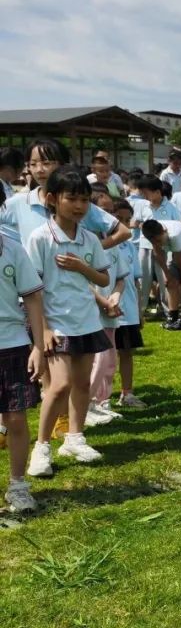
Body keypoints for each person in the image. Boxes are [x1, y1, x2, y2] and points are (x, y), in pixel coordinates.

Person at [25, 168, 113, 477]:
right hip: (56, 324)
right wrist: (45, 327)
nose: (78, 205)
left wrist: (82, 267)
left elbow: (103, 277)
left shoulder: (89, 238)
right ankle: (42, 446)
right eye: (71, 198)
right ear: (52, 199)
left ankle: (75, 438)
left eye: (84, 200)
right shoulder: (40, 238)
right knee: (58, 385)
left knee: (82, 383)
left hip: (86, 321)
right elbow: (32, 288)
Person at [2, 138, 130, 249]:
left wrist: (90, 251)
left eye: (46, 163)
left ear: (63, 165)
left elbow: (123, 232)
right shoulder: (17, 202)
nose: (39, 170)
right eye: (33, 164)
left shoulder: (78, 204)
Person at [0, 217, 46, 511]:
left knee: (16, 418)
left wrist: (39, 346)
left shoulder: (14, 250)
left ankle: (18, 485)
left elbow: (32, 298)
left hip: (12, 343)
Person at [86, 222, 129, 424]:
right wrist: (103, 302)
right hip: (90, 312)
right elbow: (81, 282)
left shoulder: (113, 245)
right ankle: (85, 404)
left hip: (110, 312)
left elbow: (121, 278)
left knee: (109, 360)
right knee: (98, 360)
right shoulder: (83, 243)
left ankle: (102, 401)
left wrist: (115, 297)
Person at [108, 200, 147, 409]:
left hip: (128, 309)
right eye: (118, 219)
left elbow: (136, 281)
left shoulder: (130, 246)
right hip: (105, 309)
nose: (123, 224)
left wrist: (139, 311)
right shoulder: (100, 244)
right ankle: (100, 398)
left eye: (126, 220)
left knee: (126, 352)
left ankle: (127, 393)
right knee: (103, 357)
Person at [140, 219, 181, 331]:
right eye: (155, 242)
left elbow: (179, 258)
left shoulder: (175, 234)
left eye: (160, 240)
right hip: (175, 253)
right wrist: (168, 275)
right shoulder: (150, 233)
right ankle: (172, 317)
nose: (159, 244)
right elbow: (158, 253)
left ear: (164, 231)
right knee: (170, 283)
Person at [134, 175, 181, 314]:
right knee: (144, 279)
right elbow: (136, 222)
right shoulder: (143, 206)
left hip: (164, 248)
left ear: (157, 191)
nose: (145, 196)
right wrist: (139, 225)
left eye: (146, 193)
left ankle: (169, 310)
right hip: (145, 246)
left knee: (165, 278)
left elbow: (177, 225)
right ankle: (139, 312)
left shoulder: (171, 207)